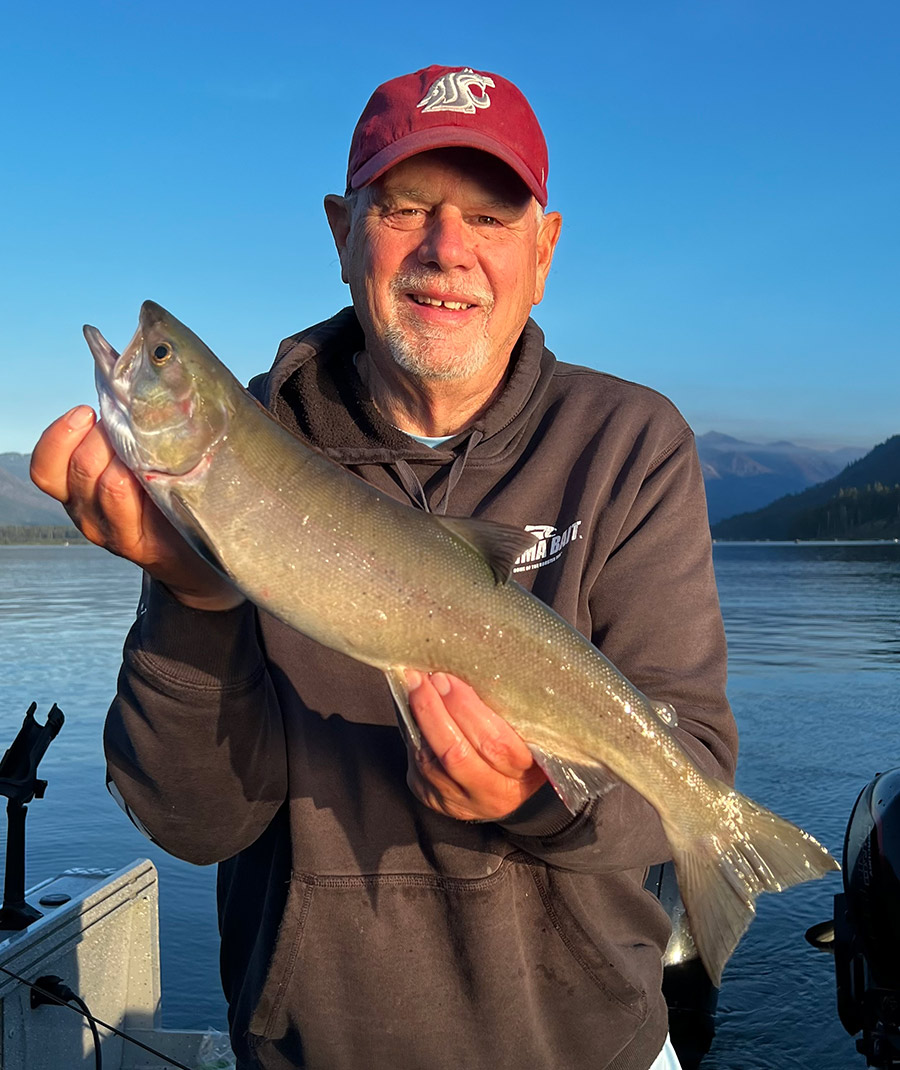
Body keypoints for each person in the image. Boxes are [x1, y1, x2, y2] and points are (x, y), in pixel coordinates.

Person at [31, 65, 737, 1070]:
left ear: (545, 249)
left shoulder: (631, 443)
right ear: (341, 229)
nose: (448, 251)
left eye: (492, 216)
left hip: (589, 1046)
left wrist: (537, 794)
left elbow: (697, 757)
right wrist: (193, 593)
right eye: (405, 207)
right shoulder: (253, 445)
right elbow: (193, 821)